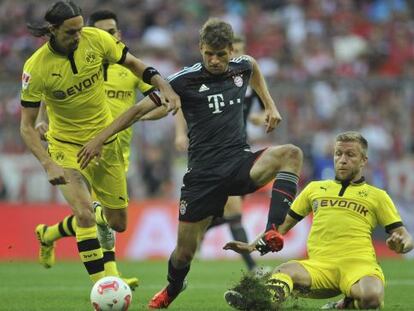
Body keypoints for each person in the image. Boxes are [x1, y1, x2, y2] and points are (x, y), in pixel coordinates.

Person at [77, 18, 303, 308]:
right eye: (208, 53)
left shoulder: (242, 65)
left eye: (221, 54)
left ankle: (272, 230)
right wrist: (99, 139)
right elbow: (135, 111)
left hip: (238, 162)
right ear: (200, 48)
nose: (215, 60)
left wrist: (270, 105)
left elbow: (254, 68)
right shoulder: (183, 80)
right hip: (202, 176)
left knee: (291, 153)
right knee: (184, 253)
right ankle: (173, 287)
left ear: (231, 51)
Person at [20, 1, 179, 284]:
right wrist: (47, 163)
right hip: (66, 146)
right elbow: (26, 126)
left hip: (107, 145)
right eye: (71, 32)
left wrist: (163, 85)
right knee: (84, 213)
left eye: (81, 30)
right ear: (53, 30)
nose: (78, 36)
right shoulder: (36, 67)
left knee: (117, 223)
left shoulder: (97, 41)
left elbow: (135, 65)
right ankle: (104, 285)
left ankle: (49, 233)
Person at [223, 131, 413, 310]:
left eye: (350, 155)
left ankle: (344, 305)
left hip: (359, 266)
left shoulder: (377, 196)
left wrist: (401, 245)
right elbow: (281, 227)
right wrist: (252, 247)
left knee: (372, 298)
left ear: (364, 160)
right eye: (338, 154)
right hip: (320, 267)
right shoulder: (314, 188)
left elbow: (405, 237)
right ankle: (258, 304)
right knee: (284, 270)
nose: (342, 160)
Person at [174, 35, 267, 274]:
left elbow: (260, 109)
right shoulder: (206, 81)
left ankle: (201, 228)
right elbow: (180, 104)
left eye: (239, 50)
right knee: (234, 213)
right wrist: (180, 133)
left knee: (225, 212)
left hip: (239, 151)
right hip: (212, 157)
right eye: (233, 50)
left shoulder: (245, 79)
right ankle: (253, 267)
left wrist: (263, 115)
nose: (236, 55)